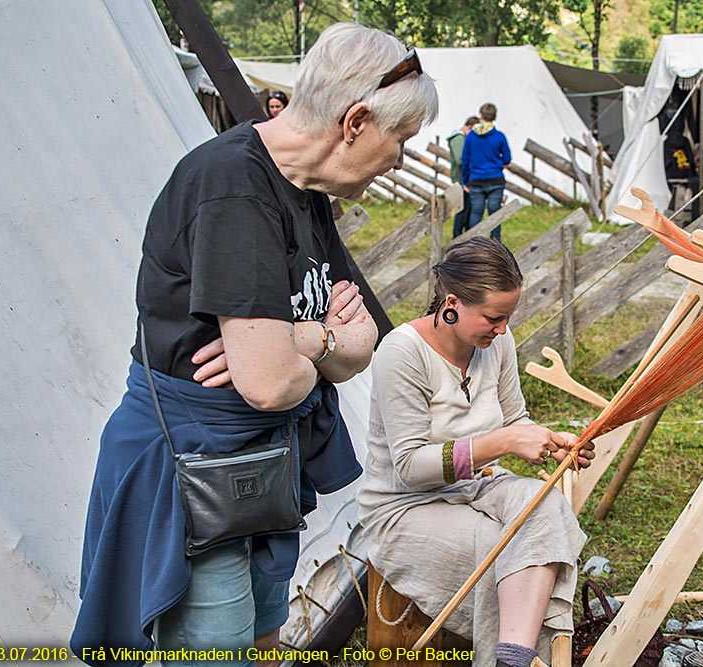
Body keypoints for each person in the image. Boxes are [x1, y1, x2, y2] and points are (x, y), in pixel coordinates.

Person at [72, 23, 438, 667]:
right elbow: (271, 384)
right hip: (195, 472)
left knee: (265, 640)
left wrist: (301, 337)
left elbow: (363, 345)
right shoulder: (235, 189)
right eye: (400, 139)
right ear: (355, 121)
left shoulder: (304, 192)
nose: (400, 160)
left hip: (259, 468)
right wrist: (321, 343)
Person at [358, 237, 595, 667]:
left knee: (545, 508)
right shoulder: (402, 352)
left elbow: (515, 418)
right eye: (492, 317)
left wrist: (550, 442)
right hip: (404, 507)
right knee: (502, 549)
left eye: (507, 317)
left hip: (478, 486)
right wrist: (504, 442)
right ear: (451, 304)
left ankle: (513, 659)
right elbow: (410, 468)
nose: (502, 328)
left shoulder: (496, 343)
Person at [462, 103, 511, 241]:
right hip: (495, 178)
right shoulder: (499, 136)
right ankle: (495, 242)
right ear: (495, 117)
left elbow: (465, 159)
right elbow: (507, 158)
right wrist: (498, 164)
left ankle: (475, 242)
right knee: (494, 212)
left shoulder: (471, 136)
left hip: (476, 179)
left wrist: (466, 180)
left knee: (476, 212)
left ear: (480, 115)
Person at [448, 115, 479, 238]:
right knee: (462, 211)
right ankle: (457, 237)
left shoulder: (463, 139)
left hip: (466, 179)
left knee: (468, 211)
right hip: (461, 179)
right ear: (469, 128)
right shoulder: (458, 139)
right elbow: (460, 159)